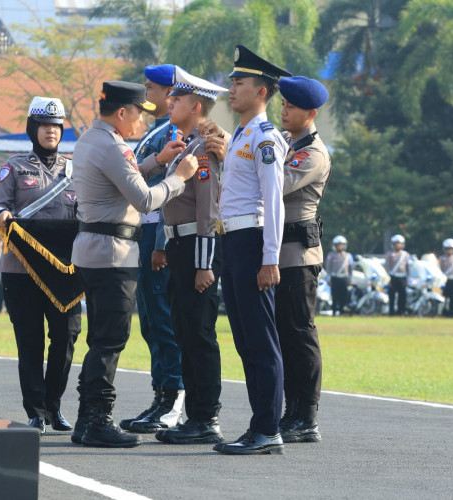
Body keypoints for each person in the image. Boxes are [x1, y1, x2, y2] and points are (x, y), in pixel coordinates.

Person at [70, 80, 197, 448]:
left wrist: (155, 161)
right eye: (140, 114)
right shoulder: (114, 146)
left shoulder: (92, 140)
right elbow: (143, 200)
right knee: (110, 340)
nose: (143, 122)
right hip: (113, 252)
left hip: (94, 249)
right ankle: (97, 420)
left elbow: (117, 181)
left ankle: (86, 419)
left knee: (101, 340)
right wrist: (178, 177)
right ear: (123, 113)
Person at [203, 45, 291, 455]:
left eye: (240, 83)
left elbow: (273, 202)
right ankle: (259, 424)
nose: (232, 88)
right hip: (233, 241)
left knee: (261, 339)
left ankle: (269, 428)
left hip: (254, 242)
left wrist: (270, 258)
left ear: (262, 91)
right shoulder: (241, 133)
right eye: (233, 81)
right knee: (245, 339)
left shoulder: (266, 139)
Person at [141, 67, 229, 445]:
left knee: (198, 336)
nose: (169, 103)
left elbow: (208, 211)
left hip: (196, 248)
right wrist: (163, 243)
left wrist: (205, 265)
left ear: (195, 107)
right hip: (179, 245)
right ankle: (194, 415)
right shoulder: (186, 145)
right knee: (183, 331)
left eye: (176, 100)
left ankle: (205, 418)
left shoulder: (204, 149)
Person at [0, 96, 82, 435]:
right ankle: (36, 410)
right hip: (21, 270)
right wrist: (2, 216)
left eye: (56, 127)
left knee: (67, 335)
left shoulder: (75, 170)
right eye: (45, 126)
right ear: (34, 129)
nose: (51, 132)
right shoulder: (13, 167)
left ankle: (54, 405)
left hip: (63, 271)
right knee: (29, 341)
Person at [120, 64, 185, 434]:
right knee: (149, 319)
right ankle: (161, 395)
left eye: (151, 87)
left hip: (158, 235)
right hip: (142, 234)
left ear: (169, 93)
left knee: (162, 318)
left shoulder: (171, 133)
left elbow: (173, 193)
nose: (146, 92)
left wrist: (161, 242)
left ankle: (173, 399)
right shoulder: (153, 132)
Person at [273, 76, 331, 444]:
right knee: (284, 335)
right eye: (283, 104)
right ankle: (290, 410)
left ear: (310, 113)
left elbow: (274, 183)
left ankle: (305, 415)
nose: (284, 110)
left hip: (299, 255)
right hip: (280, 253)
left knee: (299, 333)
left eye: (291, 106)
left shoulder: (312, 153)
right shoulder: (289, 144)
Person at [325, 235, 353, 316]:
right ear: (334, 246)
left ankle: (342, 312)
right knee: (334, 296)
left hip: (344, 278)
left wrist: (350, 280)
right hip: (335, 278)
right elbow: (328, 268)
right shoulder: (331, 255)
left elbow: (350, 270)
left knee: (344, 296)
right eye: (338, 245)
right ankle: (334, 312)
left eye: (341, 244)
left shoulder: (348, 256)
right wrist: (328, 279)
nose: (340, 246)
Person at [385, 234, 410, 316]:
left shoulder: (406, 255)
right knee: (391, 296)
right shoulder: (389, 254)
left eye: (399, 243)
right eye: (395, 243)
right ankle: (391, 312)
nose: (397, 245)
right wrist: (388, 279)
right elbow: (387, 267)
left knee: (402, 296)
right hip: (392, 277)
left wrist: (407, 279)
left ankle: (401, 312)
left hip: (402, 277)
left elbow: (407, 268)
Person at [438, 238, 453, 317]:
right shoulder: (441, 259)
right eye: (447, 249)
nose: (449, 251)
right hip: (444, 280)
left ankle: (452, 312)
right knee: (444, 296)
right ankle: (443, 311)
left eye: (451, 249)